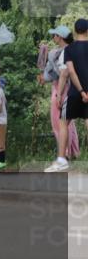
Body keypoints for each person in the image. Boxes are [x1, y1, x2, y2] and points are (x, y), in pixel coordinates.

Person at [48, 18, 88, 172]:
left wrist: (80, 91)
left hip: (74, 93)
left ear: (76, 31)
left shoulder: (70, 49)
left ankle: (62, 159)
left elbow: (69, 72)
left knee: (64, 121)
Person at [41, 25, 78, 165]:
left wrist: (49, 56)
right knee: (67, 123)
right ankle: (71, 152)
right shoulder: (70, 51)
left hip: (61, 89)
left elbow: (59, 73)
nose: (53, 37)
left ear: (60, 37)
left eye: (55, 35)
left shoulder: (59, 53)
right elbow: (48, 75)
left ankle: (65, 155)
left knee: (59, 123)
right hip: (70, 88)